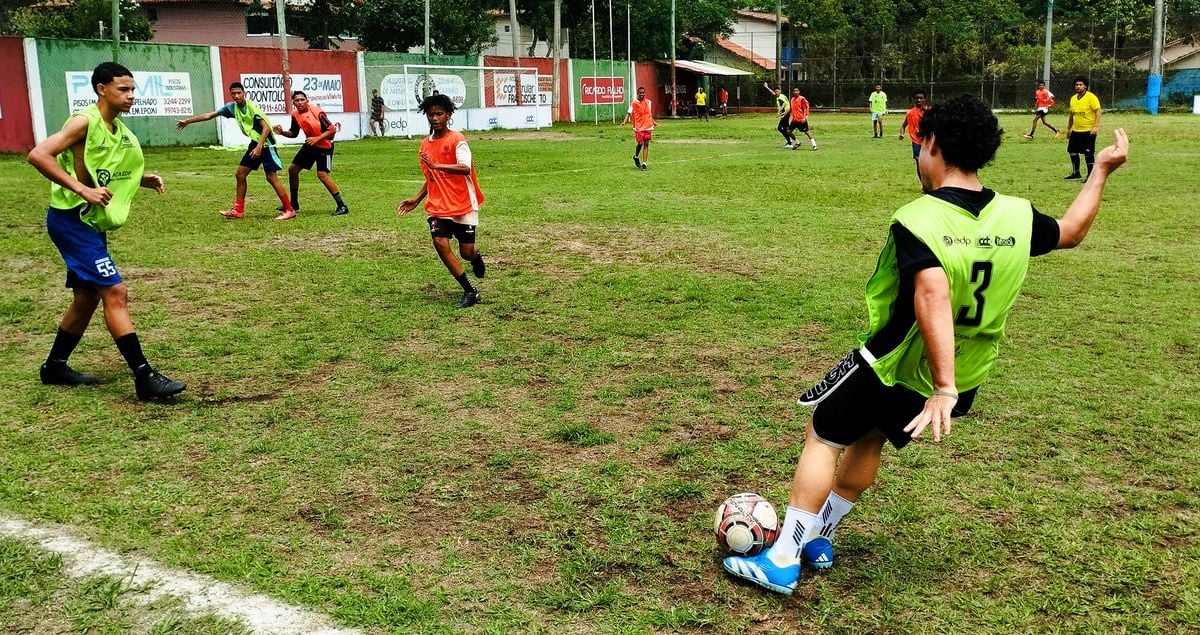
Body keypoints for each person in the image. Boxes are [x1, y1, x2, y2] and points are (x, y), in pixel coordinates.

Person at [721, 94, 1129, 596]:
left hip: (898, 362)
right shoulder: (1017, 217)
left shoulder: (921, 218)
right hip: (971, 367)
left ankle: (782, 558)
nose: (918, 156)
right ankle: (821, 536)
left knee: (824, 433)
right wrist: (1101, 171)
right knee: (869, 438)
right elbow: (1071, 232)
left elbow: (931, 293)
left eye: (920, 145)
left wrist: (943, 386)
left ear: (932, 144)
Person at [27, 62, 187, 401]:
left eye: (132, 90)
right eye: (123, 89)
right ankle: (145, 377)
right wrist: (82, 190)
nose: (131, 96)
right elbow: (38, 155)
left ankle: (54, 365)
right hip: (72, 221)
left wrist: (139, 180)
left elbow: (105, 169)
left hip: (89, 223)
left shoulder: (118, 129)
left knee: (86, 297)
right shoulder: (85, 122)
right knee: (115, 292)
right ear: (102, 89)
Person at [396, 93, 487, 309]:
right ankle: (470, 290)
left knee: (466, 252)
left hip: (462, 202)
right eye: (431, 114)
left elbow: (465, 168)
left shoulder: (457, 140)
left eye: (439, 114)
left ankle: (475, 256)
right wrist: (417, 199)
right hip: (438, 205)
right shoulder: (424, 145)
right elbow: (431, 178)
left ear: (448, 115)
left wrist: (438, 165)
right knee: (440, 243)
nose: (435, 118)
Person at [176, 82, 296, 220]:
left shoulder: (252, 107)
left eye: (239, 92)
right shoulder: (231, 108)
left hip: (266, 144)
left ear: (244, 93)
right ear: (231, 94)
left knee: (271, 177)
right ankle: (238, 210)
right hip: (255, 143)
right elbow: (209, 115)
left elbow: (266, 128)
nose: (237, 95)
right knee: (240, 174)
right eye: (234, 93)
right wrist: (188, 121)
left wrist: (259, 147)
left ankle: (289, 209)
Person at [272, 90, 349, 216]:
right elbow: (294, 133)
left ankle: (342, 206)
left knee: (322, 175)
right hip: (310, 145)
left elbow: (332, 130)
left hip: (325, 146)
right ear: (293, 103)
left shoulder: (317, 113)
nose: (300, 102)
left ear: (307, 100)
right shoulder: (295, 114)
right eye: (297, 100)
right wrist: (282, 132)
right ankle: (294, 204)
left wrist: (316, 138)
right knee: (293, 170)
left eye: (302, 99)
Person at [1065, 76, 1102, 182]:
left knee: (1088, 153)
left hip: (1088, 131)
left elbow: (1098, 112)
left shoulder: (1091, 97)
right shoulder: (1073, 98)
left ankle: (1091, 176)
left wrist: (1095, 127)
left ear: (1085, 86)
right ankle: (1076, 173)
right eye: (1076, 85)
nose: (1078, 86)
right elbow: (1072, 115)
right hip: (1076, 131)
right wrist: (1069, 128)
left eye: (1080, 85)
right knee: (1072, 150)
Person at [621, 86, 655, 171]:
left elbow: (649, 114)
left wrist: (654, 122)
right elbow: (629, 113)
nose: (642, 94)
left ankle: (644, 163)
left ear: (645, 93)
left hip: (648, 126)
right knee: (640, 143)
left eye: (643, 92)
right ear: (638, 93)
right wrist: (624, 122)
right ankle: (636, 156)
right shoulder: (634, 103)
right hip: (639, 127)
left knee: (646, 144)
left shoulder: (648, 102)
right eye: (640, 93)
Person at [898, 90, 929, 178]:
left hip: (928, 141)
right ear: (914, 100)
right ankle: (923, 185)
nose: (919, 100)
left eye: (921, 98)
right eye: (917, 98)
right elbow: (903, 126)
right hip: (916, 142)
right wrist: (901, 134)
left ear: (924, 99)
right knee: (918, 161)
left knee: (929, 163)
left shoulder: (929, 112)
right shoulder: (910, 113)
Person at [764, 83, 794, 148]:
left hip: (785, 113)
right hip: (787, 113)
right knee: (786, 128)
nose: (776, 92)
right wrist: (767, 87)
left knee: (779, 128)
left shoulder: (780, 98)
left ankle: (790, 142)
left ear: (780, 91)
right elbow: (773, 93)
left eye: (777, 91)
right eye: (775, 91)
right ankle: (790, 141)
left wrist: (779, 112)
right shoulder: (781, 95)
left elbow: (783, 105)